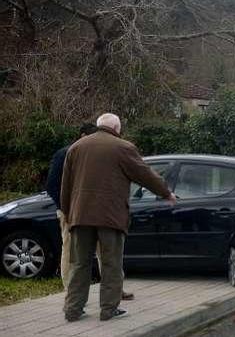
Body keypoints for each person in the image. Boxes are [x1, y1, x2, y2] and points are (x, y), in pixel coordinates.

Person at [61, 113, 175, 322]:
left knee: (79, 264)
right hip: (110, 216)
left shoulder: (76, 147)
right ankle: (108, 310)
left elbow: (66, 185)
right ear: (116, 128)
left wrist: (69, 213)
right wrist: (166, 193)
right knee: (111, 263)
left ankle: (73, 310)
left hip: (81, 216)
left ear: (98, 126)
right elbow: (145, 174)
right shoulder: (123, 148)